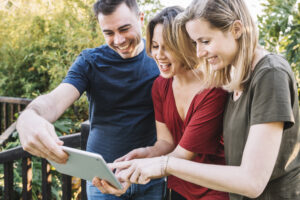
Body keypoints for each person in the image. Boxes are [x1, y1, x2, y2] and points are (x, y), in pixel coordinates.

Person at [110, 0, 300, 199]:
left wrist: (165, 164)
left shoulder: (270, 73)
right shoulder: (234, 78)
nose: (199, 53)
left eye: (205, 41)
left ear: (236, 29)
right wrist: (136, 163)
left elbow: (252, 181)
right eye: (195, 43)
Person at [16, 0, 166, 199]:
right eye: (109, 33)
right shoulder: (90, 61)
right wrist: (29, 116)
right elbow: (55, 99)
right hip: (102, 178)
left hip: (149, 175)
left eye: (124, 29)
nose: (119, 40)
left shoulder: (161, 58)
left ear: (140, 19)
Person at [97, 6, 229, 200]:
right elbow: (166, 142)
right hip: (179, 185)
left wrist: (130, 174)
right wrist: (143, 153)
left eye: (168, 47)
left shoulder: (213, 91)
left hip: (214, 189)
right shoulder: (160, 85)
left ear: (186, 45)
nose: (159, 55)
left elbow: (184, 155)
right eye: (156, 46)